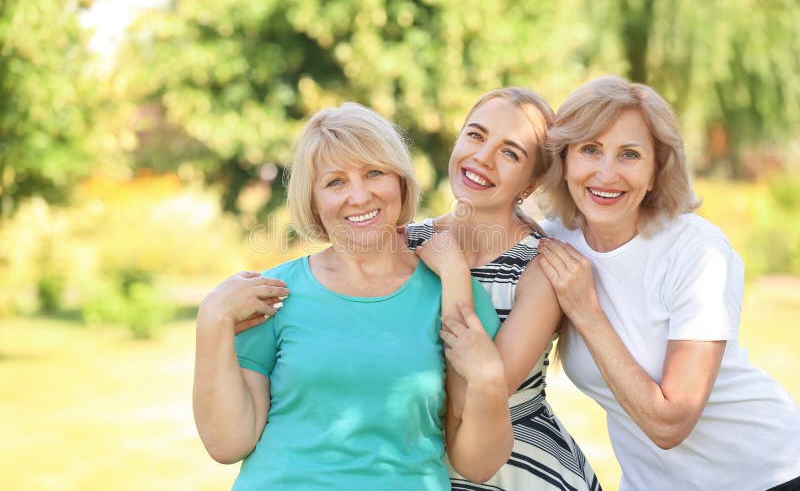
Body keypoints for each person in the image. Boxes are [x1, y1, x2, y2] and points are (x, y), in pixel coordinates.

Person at [193, 102, 513, 490]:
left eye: (374, 173)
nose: (359, 197)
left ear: (400, 182)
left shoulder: (453, 293)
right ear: (313, 201)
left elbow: (477, 464)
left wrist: (491, 378)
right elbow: (229, 444)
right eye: (335, 182)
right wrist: (212, 318)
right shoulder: (274, 295)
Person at [536, 75, 800, 491]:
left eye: (629, 154)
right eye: (590, 149)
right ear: (564, 161)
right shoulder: (550, 242)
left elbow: (670, 421)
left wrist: (587, 310)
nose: (606, 173)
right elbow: (468, 237)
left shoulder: (697, 250)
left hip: (768, 475)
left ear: (656, 171)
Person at [407, 87, 602, 490]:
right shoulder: (405, 244)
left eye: (509, 152)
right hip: (416, 465)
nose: (482, 158)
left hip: (518, 471)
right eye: (475, 135)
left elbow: (481, 393)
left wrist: (455, 272)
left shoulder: (542, 269)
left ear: (530, 183)